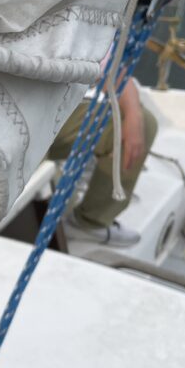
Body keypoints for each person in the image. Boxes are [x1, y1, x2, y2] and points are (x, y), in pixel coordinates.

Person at [49, 79, 158, 246]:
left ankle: (90, 222)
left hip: (51, 114)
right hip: (4, 117)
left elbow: (114, 69)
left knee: (143, 124)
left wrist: (133, 115)